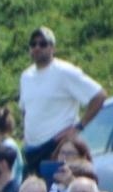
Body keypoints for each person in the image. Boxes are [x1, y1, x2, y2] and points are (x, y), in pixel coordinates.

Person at [19, 27, 106, 174]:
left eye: (43, 44)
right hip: (32, 150)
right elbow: (25, 110)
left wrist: (78, 127)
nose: (37, 48)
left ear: (52, 48)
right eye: (33, 44)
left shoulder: (64, 71)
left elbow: (99, 95)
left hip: (56, 147)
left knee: (57, 187)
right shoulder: (26, 76)